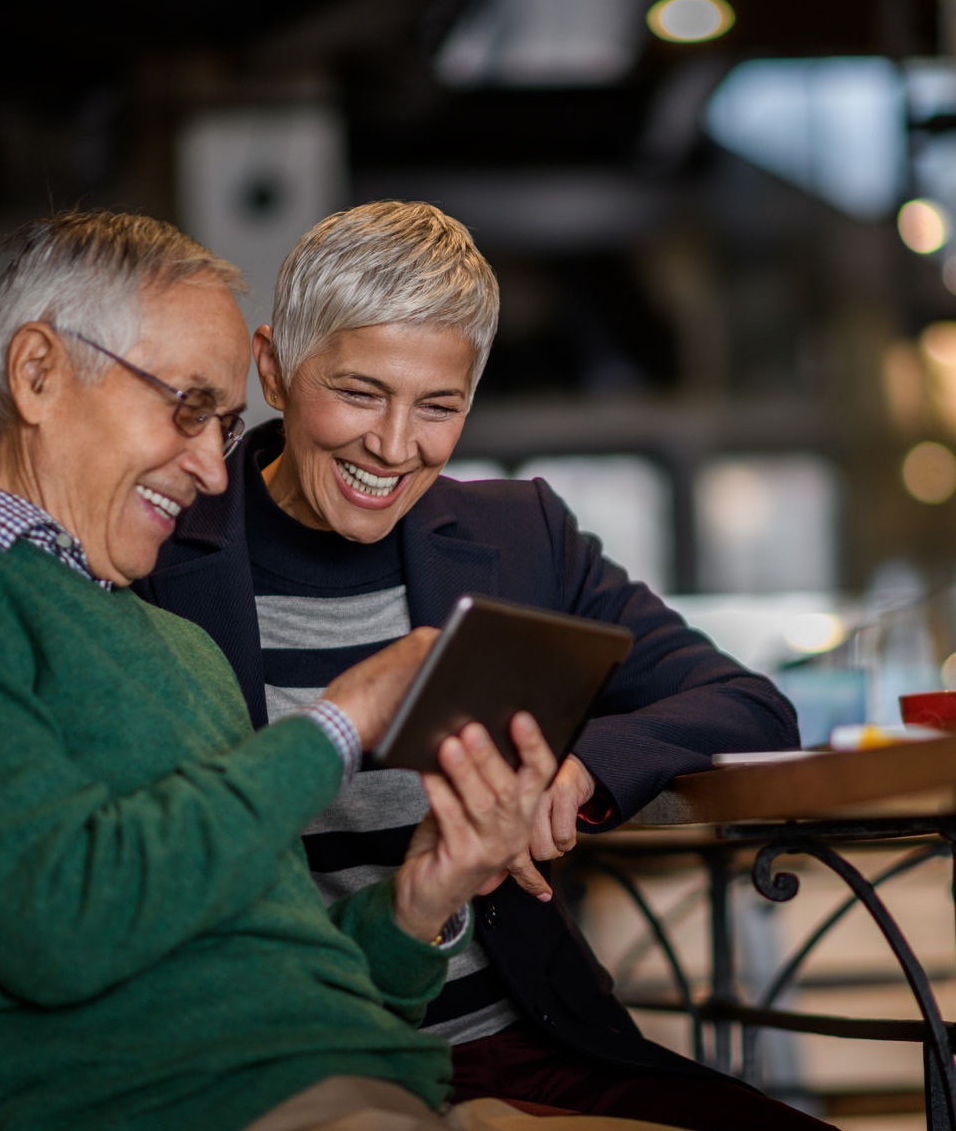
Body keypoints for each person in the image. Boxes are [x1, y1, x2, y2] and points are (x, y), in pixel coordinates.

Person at [0, 209, 687, 1131]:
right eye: (186, 408)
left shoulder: (178, 647)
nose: (216, 469)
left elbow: (285, 986)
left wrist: (420, 904)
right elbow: (63, 931)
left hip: (385, 1094)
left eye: (227, 422)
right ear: (39, 372)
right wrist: (335, 725)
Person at [135, 199, 840, 1131]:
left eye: (439, 406)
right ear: (271, 366)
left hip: (526, 1039)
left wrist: (581, 765)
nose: (394, 447)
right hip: (290, 1062)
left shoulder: (521, 535)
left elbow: (748, 704)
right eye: (358, 391)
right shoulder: (156, 555)